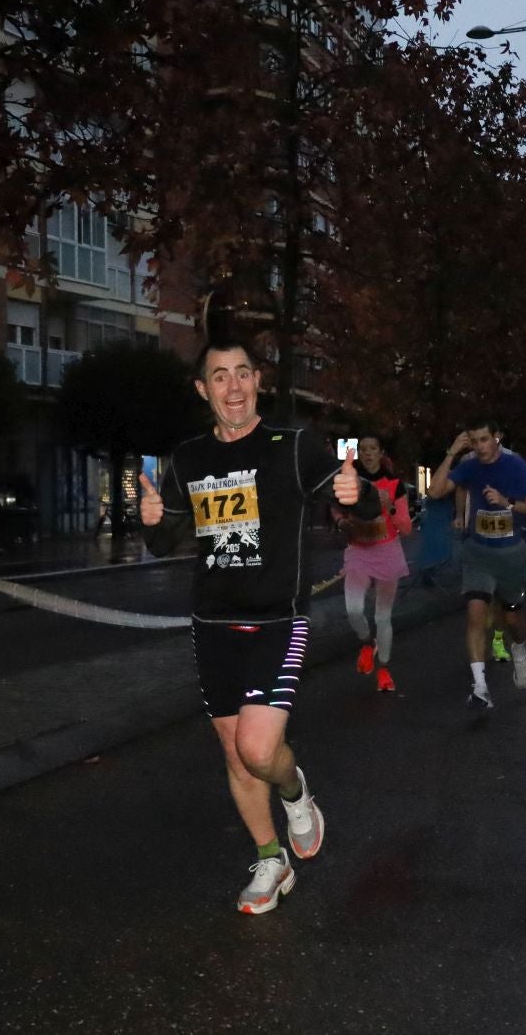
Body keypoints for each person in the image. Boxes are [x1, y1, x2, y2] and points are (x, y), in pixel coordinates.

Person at [139, 328, 377, 916]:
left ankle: (296, 793)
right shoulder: (190, 458)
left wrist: (357, 491)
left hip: (277, 619)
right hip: (213, 622)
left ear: (258, 380)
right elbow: (164, 538)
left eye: (243, 372)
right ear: (203, 390)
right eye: (220, 376)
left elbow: (354, 498)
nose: (234, 385)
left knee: (257, 747)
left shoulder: (292, 445)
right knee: (234, 751)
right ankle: (270, 857)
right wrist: (149, 518)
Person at [427, 420, 526, 710]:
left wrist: (508, 504)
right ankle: (480, 688)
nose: (479, 447)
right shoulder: (469, 465)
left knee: (512, 620)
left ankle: (519, 650)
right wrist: (451, 453)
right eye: (473, 441)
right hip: (478, 553)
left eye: (484, 439)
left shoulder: (515, 465)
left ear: (497, 437)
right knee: (475, 616)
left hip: (511, 555)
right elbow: (434, 491)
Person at [340, 435, 414, 693]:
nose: (368, 453)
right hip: (359, 552)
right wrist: (342, 523)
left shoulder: (395, 484)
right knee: (353, 609)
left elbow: (406, 529)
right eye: (363, 449)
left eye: (373, 449)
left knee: (382, 617)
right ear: (358, 452)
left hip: (387, 553)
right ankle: (366, 643)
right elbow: (336, 510)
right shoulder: (349, 481)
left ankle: (383, 668)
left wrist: (390, 507)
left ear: (381, 452)